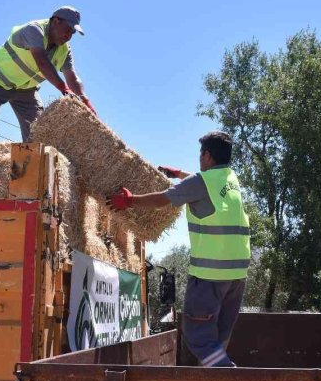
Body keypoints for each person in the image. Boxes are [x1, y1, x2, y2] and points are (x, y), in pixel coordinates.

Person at [107, 131, 250, 368]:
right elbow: (202, 184)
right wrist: (179, 174)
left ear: (207, 155)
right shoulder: (231, 179)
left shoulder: (200, 183)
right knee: (218, 337)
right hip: (236, 277)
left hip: (210, 276)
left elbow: (162, 200)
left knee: (198, 337)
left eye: (200, 154)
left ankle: (229, 376)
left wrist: (130, 201)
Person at [0, 6, 95, 159]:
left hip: (26, 90)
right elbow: (42, 62)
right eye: (67, 29)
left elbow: (72, 77)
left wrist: (85, 100)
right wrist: (64, 89)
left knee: (37, 126)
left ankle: (30, 167)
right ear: (56, 21)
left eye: (72, 33)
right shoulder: (34, 30)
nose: (69, 35)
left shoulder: (64, 50)